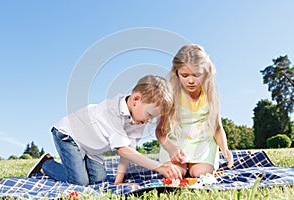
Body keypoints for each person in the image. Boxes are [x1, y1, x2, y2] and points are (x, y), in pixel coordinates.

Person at [28, 75, 182, 186]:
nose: (149, 121)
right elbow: (123, 150)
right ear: (136, 100)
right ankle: (46, 165)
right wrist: (159, 167)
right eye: (149, 115)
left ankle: (80, 163)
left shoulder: (138, 119)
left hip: (92, 147)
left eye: (152, 119)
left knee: (98, 182)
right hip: (69, 135)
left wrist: (118, 183)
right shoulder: (111, 111)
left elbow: (129, 153)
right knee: (79, 182)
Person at [155, 44, 234, 178]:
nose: (190, 80)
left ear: (206, 73)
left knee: (202, 174)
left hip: (202, 145)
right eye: (184, 75)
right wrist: (171, 148)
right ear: (176, 73)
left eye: (197, 75)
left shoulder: (210, 95)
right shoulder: (170, 95)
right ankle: (181, 167)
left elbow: (217, 127)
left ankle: (195, 166)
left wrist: (224, 148)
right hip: (175, 146)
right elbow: (160, 131)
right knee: (174, 174)